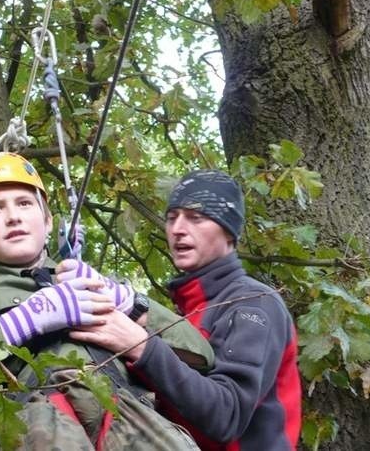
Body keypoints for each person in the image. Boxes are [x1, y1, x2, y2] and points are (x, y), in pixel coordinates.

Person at [0, 152, 214, 450]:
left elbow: (200, 356)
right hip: (34, 420)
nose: (13, 216)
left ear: (48, 221)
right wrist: (23, 321)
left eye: (25, 203)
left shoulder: (87, 282)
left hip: (126, 415)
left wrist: (127, 301)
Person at [67, 169, 302, 450]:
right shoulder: (188, 312)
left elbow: (227, 416)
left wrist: (140, 346)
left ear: (228, 230)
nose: (177, 228)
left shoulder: (253, 303)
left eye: (195, 217)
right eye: (171, 217)